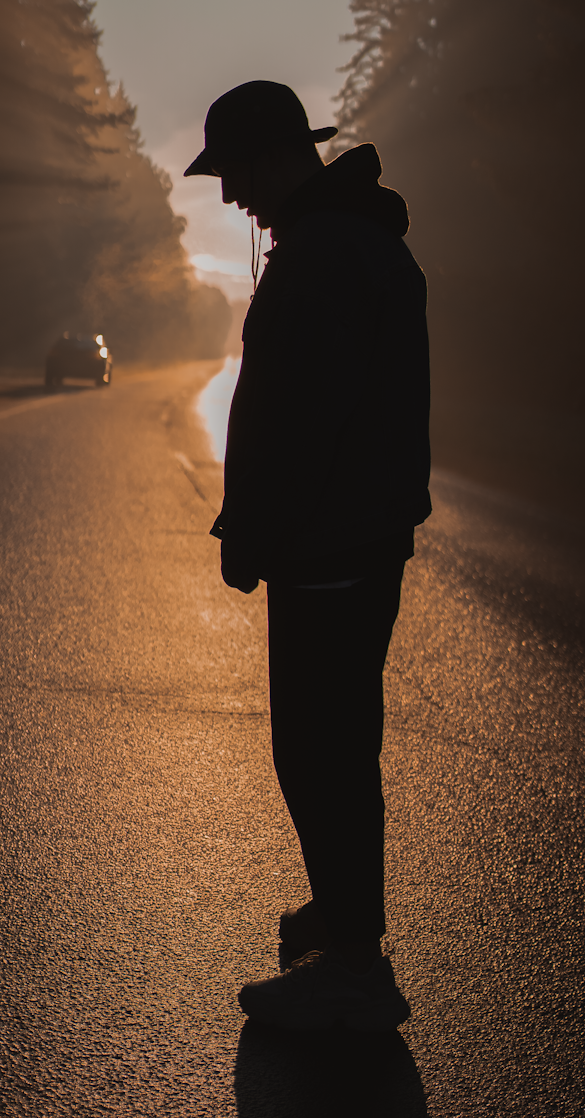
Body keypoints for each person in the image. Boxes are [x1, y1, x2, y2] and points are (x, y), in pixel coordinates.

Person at [184, 79, 430, 1031]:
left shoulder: (326, 256)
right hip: (354, 534)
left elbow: (305, 421)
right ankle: (341, 922)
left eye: (233, 173)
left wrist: (255, 534)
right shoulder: (348, 241)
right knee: (333, 742)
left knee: (319, 749)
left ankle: (356, 969)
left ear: (275, 159)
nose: (228, 196)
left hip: (331, 540)